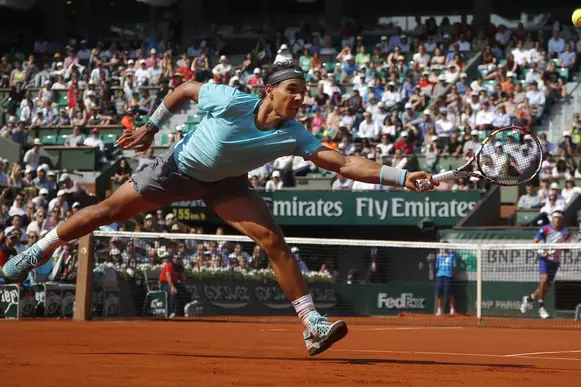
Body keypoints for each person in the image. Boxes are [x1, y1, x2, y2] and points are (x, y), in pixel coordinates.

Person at [2, 61, 437, 356]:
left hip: (226, 185)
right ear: (270, 91)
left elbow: (341, 162)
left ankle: (312, 324)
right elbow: (185, 89)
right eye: (293, 91)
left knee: (273, 239)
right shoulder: (230, 100)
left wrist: (401, 176)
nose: (301, 99)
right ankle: (36, 251)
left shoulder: (294, 134)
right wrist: (152, 128)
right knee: (105, 213)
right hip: (175, 170)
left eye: (304, 94)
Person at [520, 210, 572, 319]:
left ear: (562, 220)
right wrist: (543, 253)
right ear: (552, 219)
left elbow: (567, 249)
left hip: (555, 261)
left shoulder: (566, 232)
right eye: (555, 217)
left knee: (545, 288)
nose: (557, 220)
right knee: (543, 280)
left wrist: (564, 248)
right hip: (544, 259)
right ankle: (541, 308)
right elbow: (534, 243)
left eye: (559, 218)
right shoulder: (545, 229)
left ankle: (528, 299)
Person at [159, 252, 191, 318]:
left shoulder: (180, 267)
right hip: (165, 283)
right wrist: (172, 287)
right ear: (173, 259)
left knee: (186, 293)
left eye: (178, 258)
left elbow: (182, 279)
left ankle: (183, 312)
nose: (177, 260)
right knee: (174, 292)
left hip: (175, 283)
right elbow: (168, 277)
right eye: (175, 258)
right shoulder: (169, 265)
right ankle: (172, 312)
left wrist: (183, 287)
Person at [434, 247, 456, 316]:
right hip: (440, 276)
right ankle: (439, 310)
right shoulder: (438, 256)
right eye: (442, 247)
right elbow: (436, 266)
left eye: (445, 247)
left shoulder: (452, 256)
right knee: (439, 294)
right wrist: (437, 257)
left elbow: (454, 266)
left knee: (449, 293)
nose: (443, 249)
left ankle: (452, 309)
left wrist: (452, 275)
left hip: (448, 276)